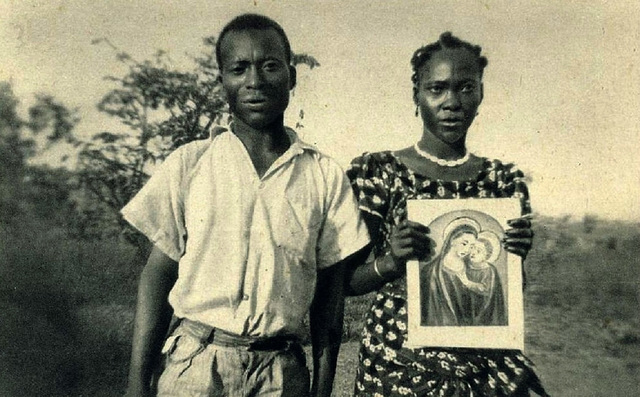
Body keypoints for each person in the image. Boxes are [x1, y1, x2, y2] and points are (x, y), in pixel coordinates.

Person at [122, 14, 370, 397]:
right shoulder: (190, 163)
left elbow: (329, 299)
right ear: (222, 80)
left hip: (281, 372)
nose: (255, 81)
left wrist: (322, 390)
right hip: (196, 365)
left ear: (292, 76)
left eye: (270, 66)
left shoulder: (323, 175)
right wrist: (137, 385)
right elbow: (158, 276)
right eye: (239, 68)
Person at [346, 32, 549, 396]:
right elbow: (346, 281)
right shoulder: (381, 173)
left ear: (481, 94)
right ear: (417, 95)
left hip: (484, 370)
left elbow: (507, 293)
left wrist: (515, 256)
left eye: (465, 89)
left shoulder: (503, 181)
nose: (451, 102)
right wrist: (393, 261)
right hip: (398, 369)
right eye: (437, 89)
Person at [420, 218, 480, 326]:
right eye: (464, 243)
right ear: (452, 240)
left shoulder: (471, 269)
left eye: (471, 246)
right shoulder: (431, 270)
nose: (467, 250)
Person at [464, 232, 507, 326]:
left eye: (478, 251)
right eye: (472, 248)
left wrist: (468, 283)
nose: (473, 252)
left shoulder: (489, 270)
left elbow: (486, 289)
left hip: (482, 307)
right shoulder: (464, 264)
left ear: (486, 256)